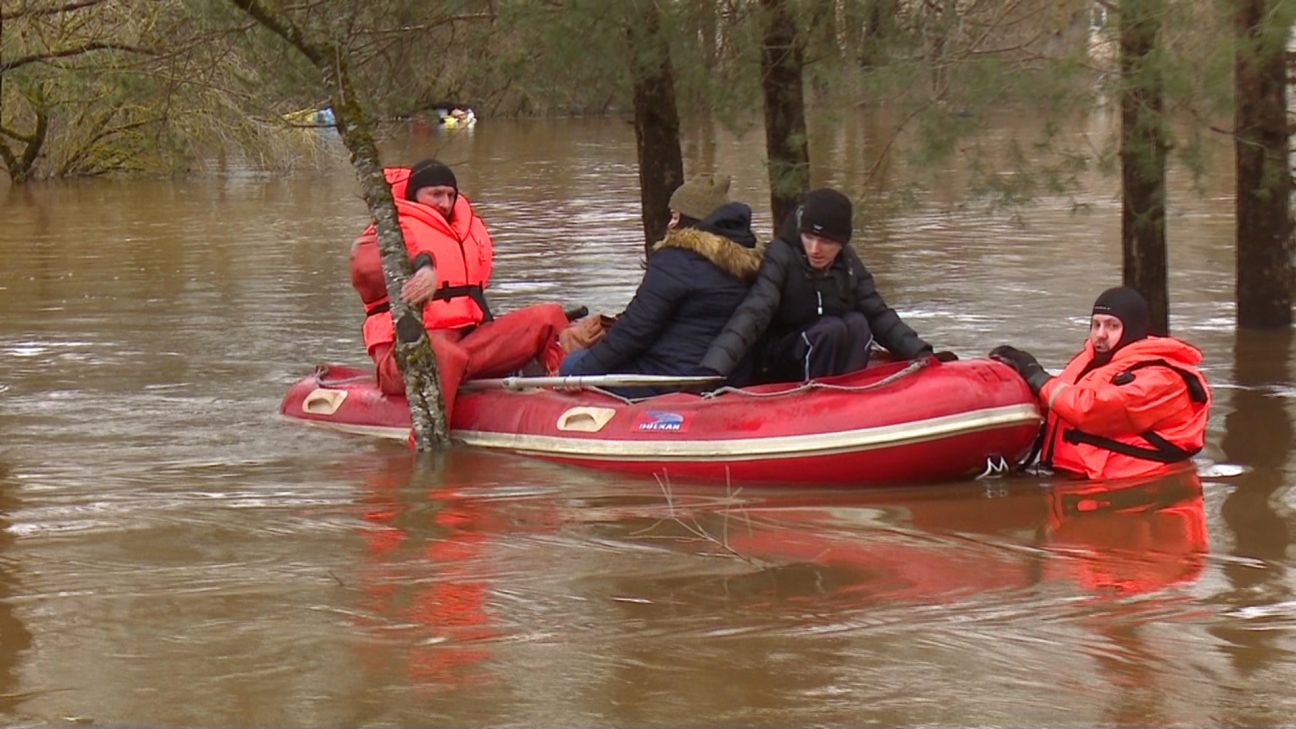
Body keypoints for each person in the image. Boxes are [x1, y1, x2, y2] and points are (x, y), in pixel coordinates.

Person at [349, 159, 568, 418]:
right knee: (443, 354)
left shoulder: (465, 229)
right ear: (413, 195)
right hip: (406, 356)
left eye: (450, 195)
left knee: (548, 317)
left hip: (468, 347)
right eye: (436, 194)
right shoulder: (387, 229)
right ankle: (432, 448)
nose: (445, 203)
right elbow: (364, 268)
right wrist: (422, 265)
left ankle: (567, 400)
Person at [701, 188, 943, 384]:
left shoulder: (847, 262)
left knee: (857, 323)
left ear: (841, 243)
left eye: (826, 241)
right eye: (809, 238)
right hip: (780, 357)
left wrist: (921, 354)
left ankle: (851, 392)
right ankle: (814, 396)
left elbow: (877, 312)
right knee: (829, 329)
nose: (816, 249)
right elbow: (754, 313)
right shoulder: (781, 256)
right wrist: (714, 368)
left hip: (828, 350)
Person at [559, 174, 762, 393]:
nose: (670, 224)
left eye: (675, 217)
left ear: (693, 221)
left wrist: (582, 372)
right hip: (730, 377)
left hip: (673, 377)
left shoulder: (676, 260)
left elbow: (635, 330)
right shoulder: (751, 264)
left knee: (572, 362)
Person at [989, 286, 1211, 481]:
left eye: (1112, 326)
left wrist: (1036, 376)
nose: (1100, 335)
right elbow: (1055, 405)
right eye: (1096, 325)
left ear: (1133, 331)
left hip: (1122, 492)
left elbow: (1091, 410)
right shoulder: (1090, 361)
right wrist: (1014, 378)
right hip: (1066, 476)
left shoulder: (1162, 379)